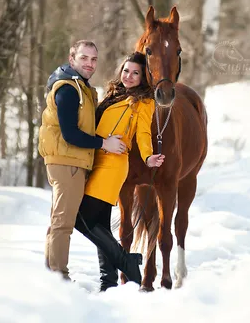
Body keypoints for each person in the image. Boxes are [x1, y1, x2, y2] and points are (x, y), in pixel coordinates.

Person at [74, 51, 165, 291]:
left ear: (143, 77)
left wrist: (147, 157)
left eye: (136, 73)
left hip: (112, 164)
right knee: (100, 224)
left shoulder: (145, 102)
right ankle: (109, 282)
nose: (129, 76)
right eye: (126, 70)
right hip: (97, 160)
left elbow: (144, 133)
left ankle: (128, 260)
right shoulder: (113, 94)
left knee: (80, 219)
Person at [38, 40, 126, 280]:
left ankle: (52, 274)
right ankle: (59, 277)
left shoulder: (83, 88)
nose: (90, 63)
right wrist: (103, 144)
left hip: (73, 162)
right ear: (72, 58)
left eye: (94, 59)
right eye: (84, 58)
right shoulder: (68, 89)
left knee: (60, 219)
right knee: (63, 222)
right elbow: (70, 133)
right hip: (67, 162)